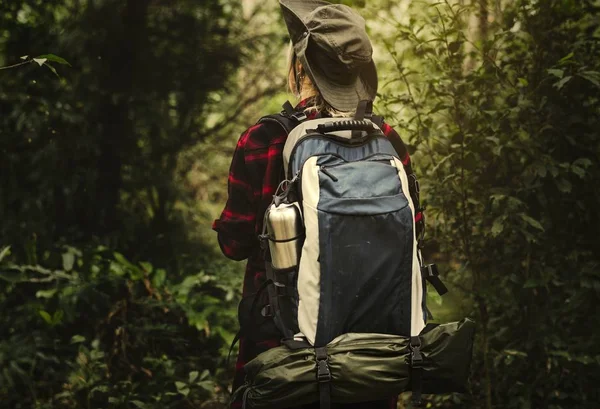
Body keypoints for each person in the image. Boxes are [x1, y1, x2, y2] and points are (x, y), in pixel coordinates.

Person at [212, 1, 419, 408]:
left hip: (282, 352)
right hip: (372, 354)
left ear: (299, 69)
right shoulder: (386, 139)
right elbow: (416, 228)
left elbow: (233, 245)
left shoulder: (263, 139)